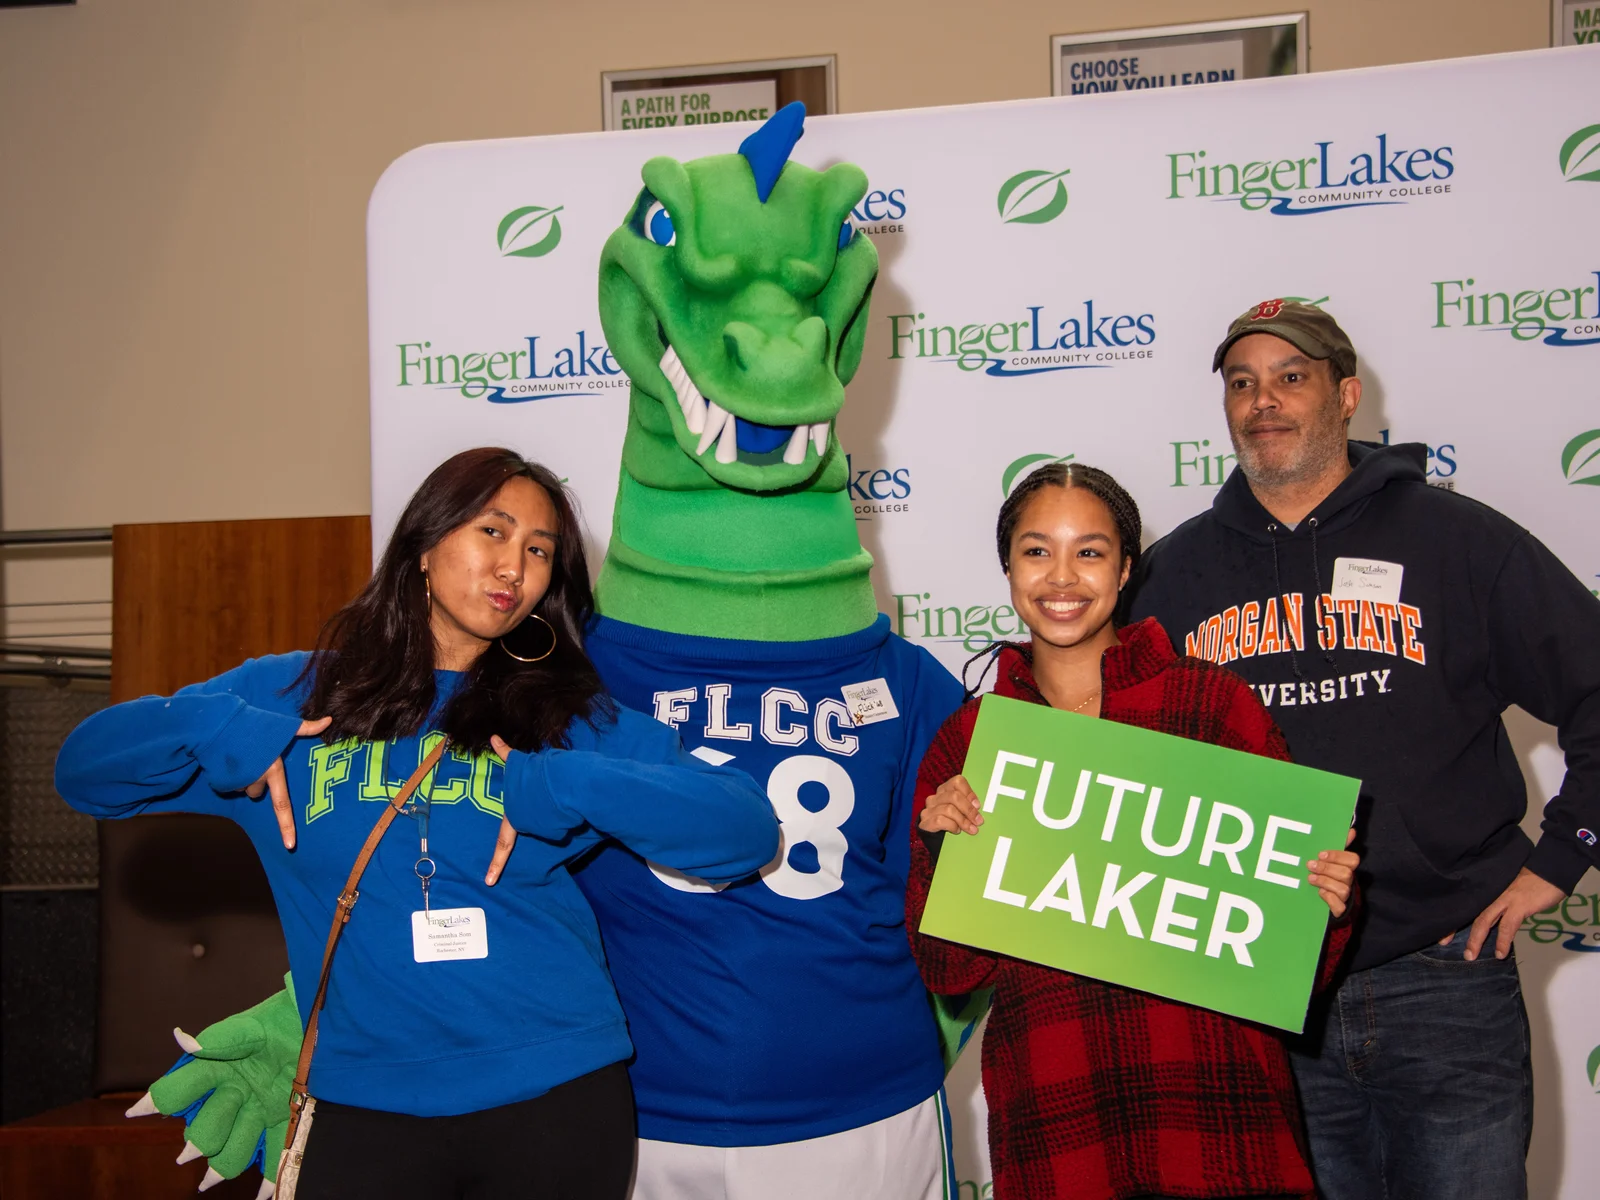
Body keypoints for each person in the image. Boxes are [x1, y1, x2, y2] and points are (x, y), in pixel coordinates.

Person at [54, 446, 778, 1200]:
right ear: (425, 546)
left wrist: (567, 781)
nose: (514, 569)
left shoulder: (565, 717)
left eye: (539, 551)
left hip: (554, 1092)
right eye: (492, 533)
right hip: (360, 1104)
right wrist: (213, 730)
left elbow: (743, 830)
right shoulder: (293, 695)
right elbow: (84, 769)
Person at [1124, 300, 1600, 1199]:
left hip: (1447, 975)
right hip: (1265, 987)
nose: (1263, 401)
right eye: (1242, 383)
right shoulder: (1174, 576)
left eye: (1291, 378)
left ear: (1346, 396)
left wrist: (1565, 853)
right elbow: (1108, 755)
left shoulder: (1457, 543)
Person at [907, 461, 1359, 1200]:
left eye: (1089, 551)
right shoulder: (972, 743)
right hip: (1058, 1116)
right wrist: (939, 849)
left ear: (1124, 570)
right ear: (1008, 568)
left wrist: (1326, 897)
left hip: (1216, 1104)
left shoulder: (1211, 707)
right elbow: (950, 972)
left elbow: (1297, 963)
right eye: (1036, 550)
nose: (1062, 577)